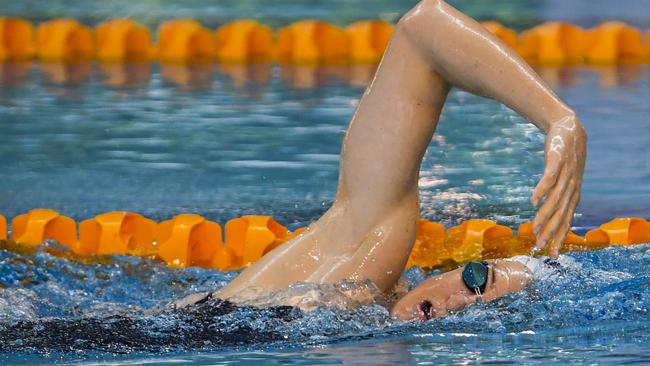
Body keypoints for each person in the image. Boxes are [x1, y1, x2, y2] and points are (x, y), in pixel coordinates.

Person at [189, 0, 587, 320]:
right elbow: (423, 31)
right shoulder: (365, 264)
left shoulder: (360, 318)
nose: (464, 301)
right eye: (478, 279)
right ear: (457, 267)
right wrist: (559, 118)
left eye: (487, 312)